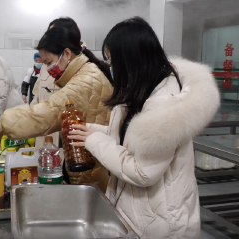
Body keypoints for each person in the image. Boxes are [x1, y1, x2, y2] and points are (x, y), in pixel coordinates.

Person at [68, 17, 220, 238]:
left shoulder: (164, 104)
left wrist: (93, 141)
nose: (110, 67)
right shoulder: (143, 91)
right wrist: (89, 131)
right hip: (138, 215)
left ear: (131, 60)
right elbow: (131, 139)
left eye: (112, 60)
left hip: (160, 225)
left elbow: (142, 171)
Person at [0, 26, 113, 193]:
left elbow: (49, 112)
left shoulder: (86, 80)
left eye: (49, 62)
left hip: (96, 171)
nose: (49, 70)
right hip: (89, 164)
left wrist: (1, 126)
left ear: (66, 53)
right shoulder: (84, 73)